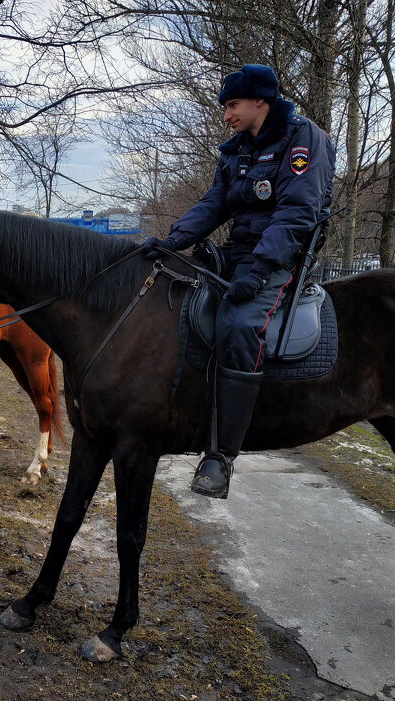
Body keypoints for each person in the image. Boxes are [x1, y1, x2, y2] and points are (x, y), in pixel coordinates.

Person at [142, 64, 335, 499]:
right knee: (176, 298)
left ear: (259, 101)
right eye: (225, 107)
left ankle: (220, 455)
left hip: (282, 255)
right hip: (239, 251)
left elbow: (297, 213)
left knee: (239, 324)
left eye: (232, 105)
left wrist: (259, 271)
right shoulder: (236, 150)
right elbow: (215, 203)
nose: (226, 115)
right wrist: (175, 239)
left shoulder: (302, 139)